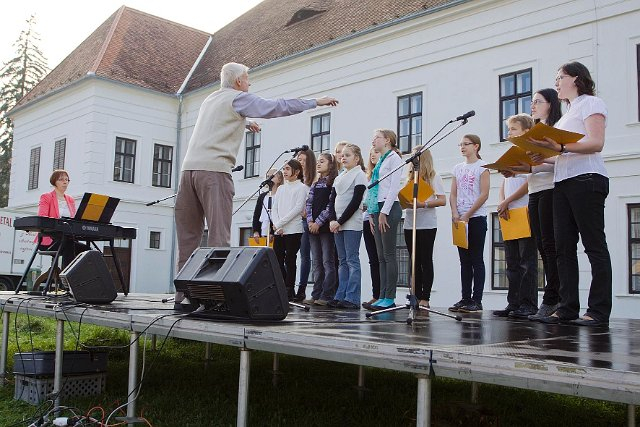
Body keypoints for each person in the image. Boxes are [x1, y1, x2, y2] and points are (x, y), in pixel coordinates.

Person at [174, 62, 338, 273]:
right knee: (218, 237)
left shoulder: (210, 99)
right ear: (239, 81)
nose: (249, 84)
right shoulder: (238, 98)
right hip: (214, 172)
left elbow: (219, 121)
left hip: (188, 172)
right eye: (247, 80)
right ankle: (213, 294)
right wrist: (315, 102)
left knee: (188, 239)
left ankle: (183, 296)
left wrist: (245, 121)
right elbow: (277, 106)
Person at [529, 62, 612, 327]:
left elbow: (596, 143)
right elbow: (562, 156)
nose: (556, 81)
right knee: (563, 248)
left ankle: (598, 311)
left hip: (587, 179)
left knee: (594, 245)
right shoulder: (567, 113)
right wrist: (540, 156)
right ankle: (567, 307)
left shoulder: (591, 103)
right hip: (563, 182)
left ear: (576, 78)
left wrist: (559, 145)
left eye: (560, 77)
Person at [493, 114, 538, 319]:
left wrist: (508, 200)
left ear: (526, 131)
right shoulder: (511, 152)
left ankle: (528, 304)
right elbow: (504, 181)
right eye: (509, 129)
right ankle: (514, 302)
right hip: (509, 211)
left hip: (524, 210)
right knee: (511, 261)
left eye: (513, 129)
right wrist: (502, 201)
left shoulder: (531, 152)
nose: (509, 133)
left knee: (527, 261)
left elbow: (529, 182)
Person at [526, 88, 563, 321]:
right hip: (534, 190)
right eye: (532, 102)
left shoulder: (556, 130)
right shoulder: (534, 133)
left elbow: (560, 161)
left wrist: (533, 165)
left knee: (551, 245)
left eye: (537, 102)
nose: (533, 106)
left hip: (551, 189)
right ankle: (551, 297)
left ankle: (553, 298)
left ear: (550, 104)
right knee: (541, 245)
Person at [448, 135, 490, 313]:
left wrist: (468, 214)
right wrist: (455, 213)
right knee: (464, 261)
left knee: (476, 259)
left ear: (476, 146)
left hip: (476, 218)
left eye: (466, 144)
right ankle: (465, 298)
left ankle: (476, 299)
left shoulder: (482, 167)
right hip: (460, 219)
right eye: (460, 144)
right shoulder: (457, 168)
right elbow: (453, 193)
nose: (462, 147)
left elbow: (484, 194)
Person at [364, 129, 404, 311]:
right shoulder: (381, 160)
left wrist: (384, 212)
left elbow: (394, 188)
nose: (373, 141)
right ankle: (381, 295)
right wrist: (373, 213)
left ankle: (390, 296)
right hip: (377, 208)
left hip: (388, 208)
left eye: (376, 138)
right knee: (380, 257)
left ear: (387, 140)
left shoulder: (394, 158)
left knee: (389, 254)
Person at [403, 148, 446, 309]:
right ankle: (414, 294)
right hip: (410, 222)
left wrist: (424, 204)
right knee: (413, 260)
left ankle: (425, 297)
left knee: (425, 260)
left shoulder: (434, 177)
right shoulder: (410, 178)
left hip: (427, 223)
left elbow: (442, 200)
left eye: (416, 156)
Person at [329, 144, 368, 309]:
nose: (343, 158)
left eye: (348, 155)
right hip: (337, 223)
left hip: (351, 223)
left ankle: (352, 298)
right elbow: (331, 200)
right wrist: (332, 220)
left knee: (351, 260)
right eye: (342, 155)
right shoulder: (339, 177)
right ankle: (340, 295)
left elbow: (355, 201)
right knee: (342, 260)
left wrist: (340, 221)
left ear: (357, 158)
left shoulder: (359, 175)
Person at [271, 159, 309, 301]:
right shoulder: (281, 189)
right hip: (279, 229)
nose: (285, 172)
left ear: (297, 171)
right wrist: (277, 225)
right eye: (284, 169)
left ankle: (289, 288)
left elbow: (298, 209)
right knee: (277, 259)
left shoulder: (302, 188)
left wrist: (280, 223)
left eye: (288, 169)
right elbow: (274, 208)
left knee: (290, 259)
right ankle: (281, 286)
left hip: (294, 229)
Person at [36, 170, 89, 270]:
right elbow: (42, 217)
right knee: (69, 246)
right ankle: (67, 279)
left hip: (67, 238)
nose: (65, 182)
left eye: (67, 179)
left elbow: (73, 219)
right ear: (54, 182)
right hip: (50, 240)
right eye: (61, 179)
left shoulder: (70, 199)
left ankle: (80, 277)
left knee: (87, 250)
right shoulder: (46, 197)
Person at [305, 153, 338, 305]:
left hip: (325, 227)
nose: (318, 164)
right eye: (317, 161)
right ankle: (316, 294)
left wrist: (318, 222)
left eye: (322, 161)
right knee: (316, 262)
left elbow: (329, 206)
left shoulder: (333, 183)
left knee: (327, 261)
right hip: (313, 227)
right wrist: (310, 221)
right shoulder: (315, 183)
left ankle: (327, 294)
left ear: (331, 165)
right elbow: (309, 203)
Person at [294, 148, 317, 302]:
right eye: (299, 160)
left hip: (308, 221)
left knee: (309, 256)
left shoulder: (314, 179)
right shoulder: (298, 180)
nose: (300, 162)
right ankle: (296, 288)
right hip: (295, 221)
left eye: (302, 160)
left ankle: (304, 288)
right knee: (298, 256)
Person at [362, 146, 381, 307]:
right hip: (366, 219)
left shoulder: (382, 173)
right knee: (373, 260)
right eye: (371, 153)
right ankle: (376, 294)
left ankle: (384, 295)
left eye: (376, 152)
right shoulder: (368, 175)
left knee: (381, 258)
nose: (373, 155)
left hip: (378, 217)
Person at [251, 169, 283, 243]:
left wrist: (272, 232)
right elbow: (257, 214)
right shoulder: (262, 196)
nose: (269, 179)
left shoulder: (281, 195)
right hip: (264, 231)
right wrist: (256, 231)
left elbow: (279, 214)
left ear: (279, 179)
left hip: (277, 231)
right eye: (268, 176)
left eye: (272, 176)